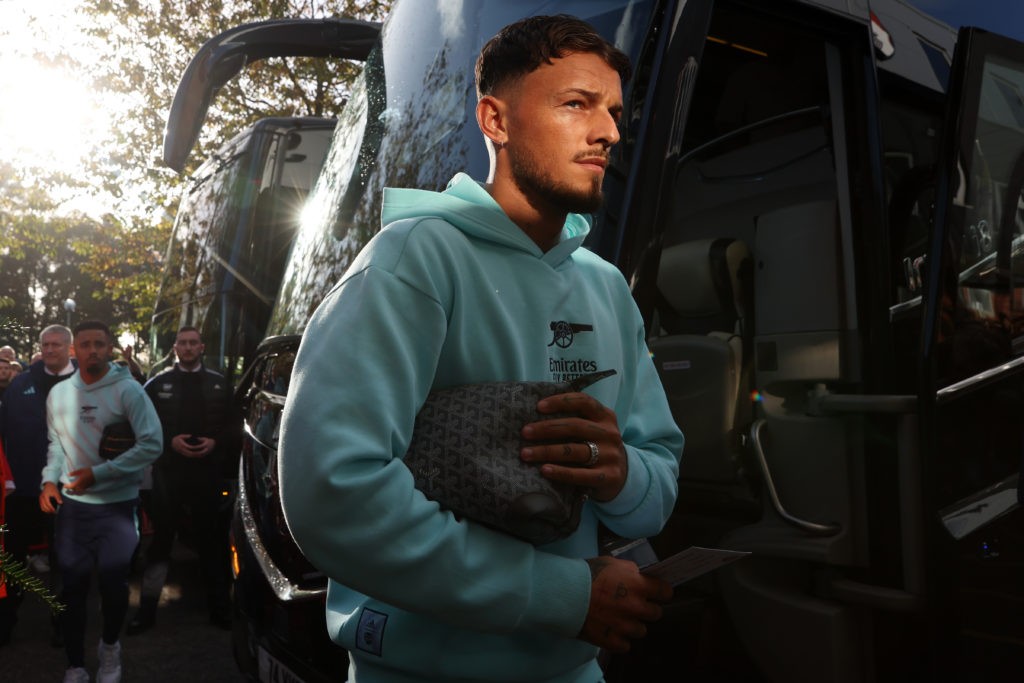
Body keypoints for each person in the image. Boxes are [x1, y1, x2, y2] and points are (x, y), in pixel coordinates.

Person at [278, 15, 683, 683]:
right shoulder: (414, 260)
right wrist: (562, 594)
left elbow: (658, 484)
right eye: (577, 103)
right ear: (494, 120)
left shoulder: (607, 288)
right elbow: (333, 491)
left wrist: (620, 474)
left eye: (613, 110)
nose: (609, 130)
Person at [39, 320, 162, 683]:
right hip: (74, 509)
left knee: (114, 586)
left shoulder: (129, 391)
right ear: (73, 349)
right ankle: (75, 665)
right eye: (85, 344)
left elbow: (152, 444)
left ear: (109, 348)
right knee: (71, 588)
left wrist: (101, 473)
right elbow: (56, 445)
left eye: (99, 344)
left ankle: (110, 648)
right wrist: (49, 480)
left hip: (118, 507)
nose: (92, 350)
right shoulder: (58, 394)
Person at [129, 325, 237, 634]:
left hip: (208, 475)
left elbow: (234, 425)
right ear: (175, 348)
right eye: (183, 343)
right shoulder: (156, 383)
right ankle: (145, 613)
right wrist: (168, 442)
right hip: (168, 475)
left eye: (193, 343)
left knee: (212, 543)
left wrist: (215, 442)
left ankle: (220, 610)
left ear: (202, 347)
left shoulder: (220, 383)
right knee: (161, 543)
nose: (188, 347)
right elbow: (142, 426)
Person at [0, 324, 77, 648]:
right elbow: (5, 431)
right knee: (13, 559)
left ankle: (63, 623)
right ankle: (5, 621)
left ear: (70, 349)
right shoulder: (22, 383)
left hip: (69, 490)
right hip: (24, 489)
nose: (49, 350)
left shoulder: (86, 383)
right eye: (45, 344)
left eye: (56, 345)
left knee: (65, 560)